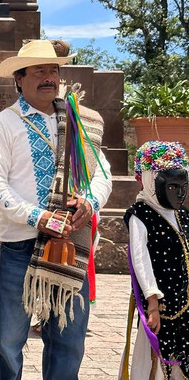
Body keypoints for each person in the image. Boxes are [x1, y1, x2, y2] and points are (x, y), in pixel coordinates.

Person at [0, 40, 113, 380]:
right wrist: (38, 216)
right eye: (38, 71)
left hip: (72, 244)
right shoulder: (3, 123)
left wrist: (91, 201)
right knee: (9, 340)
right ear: (19, 80)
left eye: (53, 70)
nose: (48, 77)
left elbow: (103, 173)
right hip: (22, 245)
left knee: (69, 338)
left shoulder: (78, 121)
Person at [122, 141, 189, 379]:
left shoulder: (182, 215)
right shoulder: (141, 215)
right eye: (172, 186)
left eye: (183, 186)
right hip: (160, 309)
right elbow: (141, 260)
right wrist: (152, 301)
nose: (180, 194)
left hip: (186, 306)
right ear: (150, 181)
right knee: (157, 365)